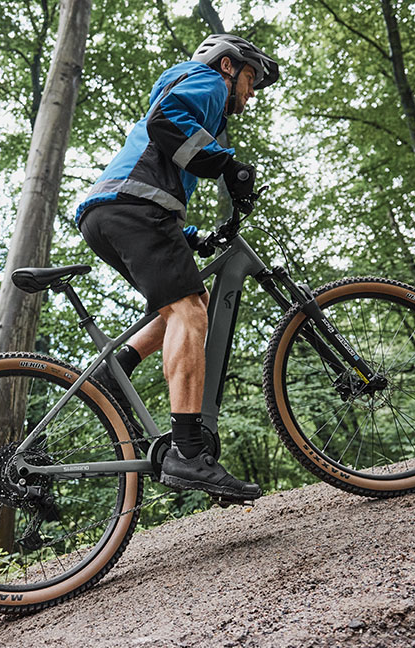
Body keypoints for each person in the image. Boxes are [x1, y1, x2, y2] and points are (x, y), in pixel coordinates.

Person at [75, 34, 279, 501]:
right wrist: (228, 165)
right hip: (133, 209)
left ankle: (113, 373)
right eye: (250, 79)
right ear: (227, 66)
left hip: (114, 211)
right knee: (190, 313)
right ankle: (187, 452)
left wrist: (191, 237)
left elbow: (155, 165)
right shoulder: (207, 82)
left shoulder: (193, 95)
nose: (251, 93)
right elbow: (165, 121)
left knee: (187, 303)